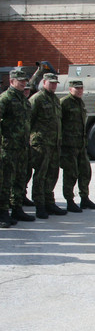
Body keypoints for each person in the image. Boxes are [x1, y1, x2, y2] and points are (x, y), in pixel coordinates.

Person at [60, 80, 95, 212]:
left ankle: (84, 198)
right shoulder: (64, 103)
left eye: (81, 88)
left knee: (85, 171)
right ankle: (69, 200)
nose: (79, 90)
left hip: (80, 144)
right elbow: (58, 123)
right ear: (70, 89)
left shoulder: (80, 102)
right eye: (76, 88)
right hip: (68, 145)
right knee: (70, 173)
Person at [0, 69, 34, 227]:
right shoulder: (5, 99)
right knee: (6, 181)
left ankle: (17, 208)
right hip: (8, 148)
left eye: (24, 80)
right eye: (19, 80)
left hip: (22, 147)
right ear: (11, 81)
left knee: (20, 179)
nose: (22, 83)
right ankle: (2, 213)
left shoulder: (23, 100)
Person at [29, 72, 65, 219]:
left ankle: (49, 202)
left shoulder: (55, 99)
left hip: (54, 144)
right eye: (51, 83)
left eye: (55, 83)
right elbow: (29, 121)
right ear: (44, 83)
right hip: (41, 144)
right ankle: (39, 205)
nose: (53, 85)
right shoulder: (37, 99)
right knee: (41, 175)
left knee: (53, 174)